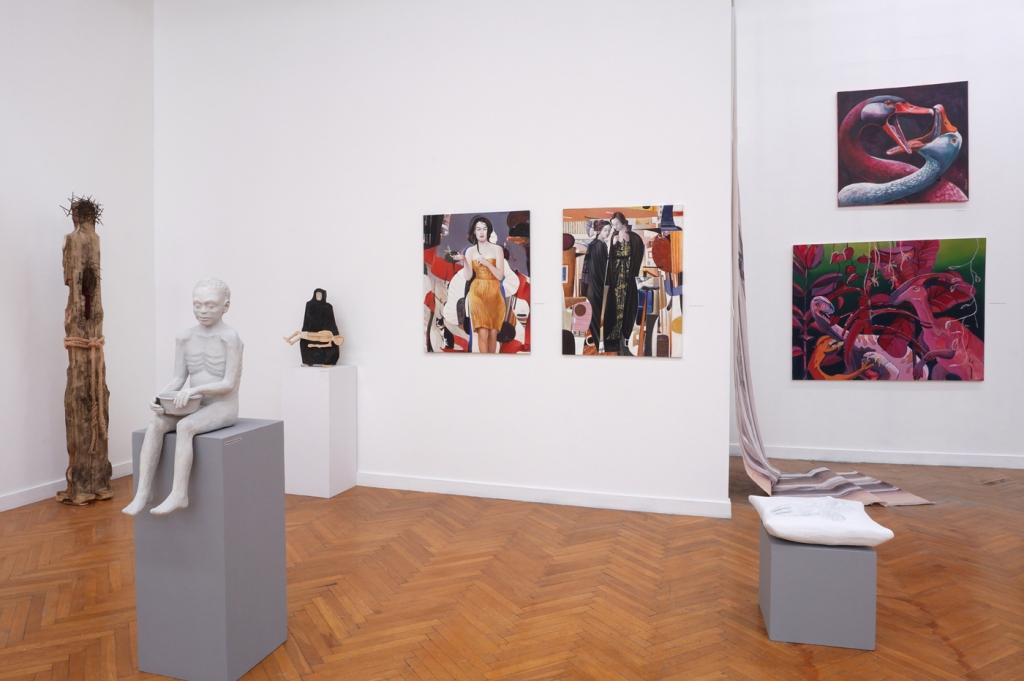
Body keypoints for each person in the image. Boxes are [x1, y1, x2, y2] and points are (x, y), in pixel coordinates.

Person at [123, 278, 243, 516]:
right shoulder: (185, 337)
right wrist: (160, 397)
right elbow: (178, 378)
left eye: (210, 305)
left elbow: (228, 383)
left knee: (186, 427)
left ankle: (179, 494)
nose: (203, 310)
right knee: (155, 423)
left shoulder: (230, 337)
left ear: (225, 306)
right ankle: (144, 492)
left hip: (222, 405)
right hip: (193, 403)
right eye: (198, 304)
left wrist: (195, 391)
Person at [585, 212, 645, 355]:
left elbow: (637, 256)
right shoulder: (613, 237)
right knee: (616, 305)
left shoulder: (634, 238)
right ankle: (614, 335)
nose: (615, 226)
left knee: (626, 305)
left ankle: (625, 335)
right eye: (613, 225)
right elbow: (610, 258)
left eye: (617, 223)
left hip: (628, 276)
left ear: (623, 222)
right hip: (616, 277)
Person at [452, 216, 506, 353]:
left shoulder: (497, 249)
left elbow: (500, 275)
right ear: (474, 231)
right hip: (477, 292)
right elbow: (468, 276)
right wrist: (464, 260)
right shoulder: (470, 251)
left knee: (493, 334)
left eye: (484, 229)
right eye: (478, 229)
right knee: (482, 332)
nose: (481, 232)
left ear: (489, 231)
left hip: (494, 293)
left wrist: (487, 263)